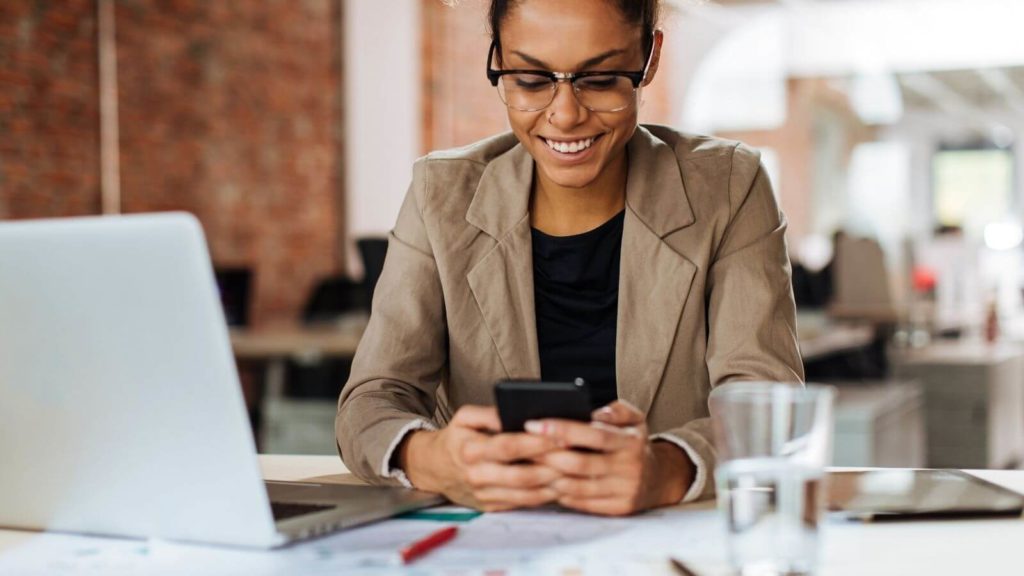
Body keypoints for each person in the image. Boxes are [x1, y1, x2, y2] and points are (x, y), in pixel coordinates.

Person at [336, 0, 803, 515]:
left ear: (649, 59)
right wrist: (430, 457)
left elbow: (768, 403)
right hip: (494, 541)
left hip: (668, 537)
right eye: (531, 81)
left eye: (600, 78)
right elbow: (371, 400)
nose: (565, 114)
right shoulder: (441, 193)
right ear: (497, 61)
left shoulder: (729, 185)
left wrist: (665, 469)